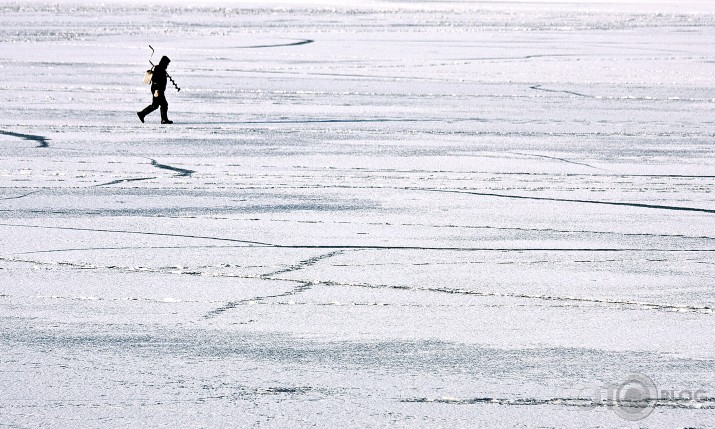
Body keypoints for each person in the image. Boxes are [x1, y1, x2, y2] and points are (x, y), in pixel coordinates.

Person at [137, 56, 173, 124]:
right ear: (164, 63)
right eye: (167, 64)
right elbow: (155, 80)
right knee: (164, 104)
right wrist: (157, 90)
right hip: (157, 90)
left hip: (158, 90)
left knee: (155, 105)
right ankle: (164, 120)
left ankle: (142, 114)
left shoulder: (160, 69)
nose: (167, 65)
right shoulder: (159, 69)